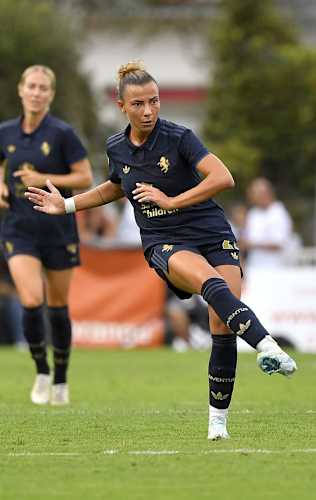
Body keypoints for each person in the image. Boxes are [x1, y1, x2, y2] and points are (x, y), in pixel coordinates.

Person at [25, 61, 297, 439]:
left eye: (154, 101)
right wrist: (67, 205)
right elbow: (115, 186)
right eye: (138, 104)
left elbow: (223, 177)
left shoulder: (180, 137)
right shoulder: (116, 146)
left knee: (222, 321)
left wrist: (172, 200)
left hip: (210, 230)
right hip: (163, 239)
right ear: (122, 106)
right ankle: (269, 346)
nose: (149, 110)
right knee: (209, 282)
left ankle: (217, 425)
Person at [0, 65, 93, 405]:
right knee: (30, 299)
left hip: (57, 229)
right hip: (18, 229)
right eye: (32, 86)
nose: (36, 92)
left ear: (51, 95)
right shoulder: (6, 132)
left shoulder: (63, 133)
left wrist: (43, 177)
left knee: (57, 305)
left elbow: (84, 177)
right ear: (20, 90)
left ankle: (61, 381)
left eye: (43, 88)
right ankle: (41, 371)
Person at [241, 177, 297, 268]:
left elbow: (279, 243)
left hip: (276, 268)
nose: (251, 197)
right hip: (255, 266)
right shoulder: (253, 213)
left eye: (254, 193)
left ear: (265, 194)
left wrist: (251, 244)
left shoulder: (278, 212)